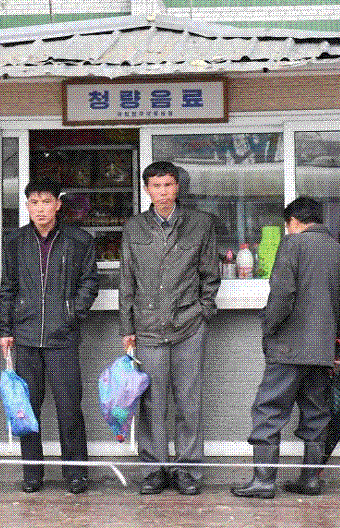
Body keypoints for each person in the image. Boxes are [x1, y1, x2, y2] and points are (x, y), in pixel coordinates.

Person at [231, 197, 340, 499]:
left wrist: (268, 328)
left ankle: (263, 481)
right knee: (316, 414)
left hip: (288, 347)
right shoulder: (339, 251)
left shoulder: (292, 244)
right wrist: (338, 348)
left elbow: (282, 295)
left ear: (294, 222)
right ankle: (310, 480)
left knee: (269, 411)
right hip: (323, 350)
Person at [119, 161, 221, 496]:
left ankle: (189, 471)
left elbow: (210, 275)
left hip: (188, 325)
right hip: (147, 328)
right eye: (156, 186)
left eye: (168, 185)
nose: (162, 192)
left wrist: (204, 311)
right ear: (146, 189)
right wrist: (127, 327)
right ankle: (154, 470)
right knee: (152, 403)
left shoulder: (200, 224)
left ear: (177, 187)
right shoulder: (134, 227)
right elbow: (127, 280)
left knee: (189, 401)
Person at [0, 178, 99, 494]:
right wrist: (5, 329)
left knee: (69, 408)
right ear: (27, 206)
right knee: (27, 409)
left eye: (46, 202)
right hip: (26, 336)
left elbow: (89, 283)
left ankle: (76, 473)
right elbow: (8, 288)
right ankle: (32, 473)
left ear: (58, 205)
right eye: (34, 202)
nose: (40, 209)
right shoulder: (15, 241)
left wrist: (71, 312)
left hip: (62, 338)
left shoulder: (78, 240)